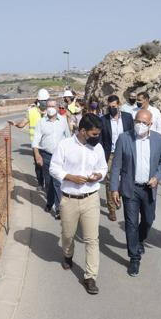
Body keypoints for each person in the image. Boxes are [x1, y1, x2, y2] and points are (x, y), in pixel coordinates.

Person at [50, 114, 108, 295]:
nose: (96, 137)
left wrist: (99, 175)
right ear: (83, 131)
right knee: (68, 235)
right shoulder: (65, 145)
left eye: (98, 133)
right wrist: (70, 177)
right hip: (69, 199)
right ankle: (68, 255)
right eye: (94, 133)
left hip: (91, 198)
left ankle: (90, 277)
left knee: (92, 239)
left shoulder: (97, 148)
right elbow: (54, 167)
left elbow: (103, 167)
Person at [110, 109, 161, 276]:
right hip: (131, 188)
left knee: (149, 219)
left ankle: (140, 239)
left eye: (144, 122)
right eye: (137, 121)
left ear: (150, 124)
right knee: (130, 223)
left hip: (149, 189)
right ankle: (134, 258)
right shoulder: (124, 138)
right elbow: (116, 166)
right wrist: (114, 188)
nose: (140, 125)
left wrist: (157, 176)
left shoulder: (158, 140)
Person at [32, 100, 70, 219]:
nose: (50, 108)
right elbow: (36, 141)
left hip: (60, 157)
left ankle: (58, 209)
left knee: (58, 183)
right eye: (48, 106)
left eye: (53, 106)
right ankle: (50, 202)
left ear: (58, 107)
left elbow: (68, 138)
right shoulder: (41, 122)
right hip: (46, 156)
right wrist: (37, 155)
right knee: (48, 183)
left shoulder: (63, 121)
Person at [100, 95, 133, 221]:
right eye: (110, 107)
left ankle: (118, 196)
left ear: (119, 104)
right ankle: (111, 209)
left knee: (125, 179)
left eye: (114, 106)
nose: (112, 109)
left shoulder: (127, 117)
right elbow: (101, 140)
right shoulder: (104, 120)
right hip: (111, 154)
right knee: (109, 181)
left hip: (125, 153)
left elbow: (132, 135)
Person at [8, 88, 49, 190]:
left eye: (46, 100)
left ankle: (48, 184)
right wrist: (15, 123)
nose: (44, 102)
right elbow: (22, 124)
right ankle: (40, 183)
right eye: (42, 100)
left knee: (48, 165)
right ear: (38, 101)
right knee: (38, 165)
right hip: (36, 144)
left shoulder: (51, 111)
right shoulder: (31, 112)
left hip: (49, 143)